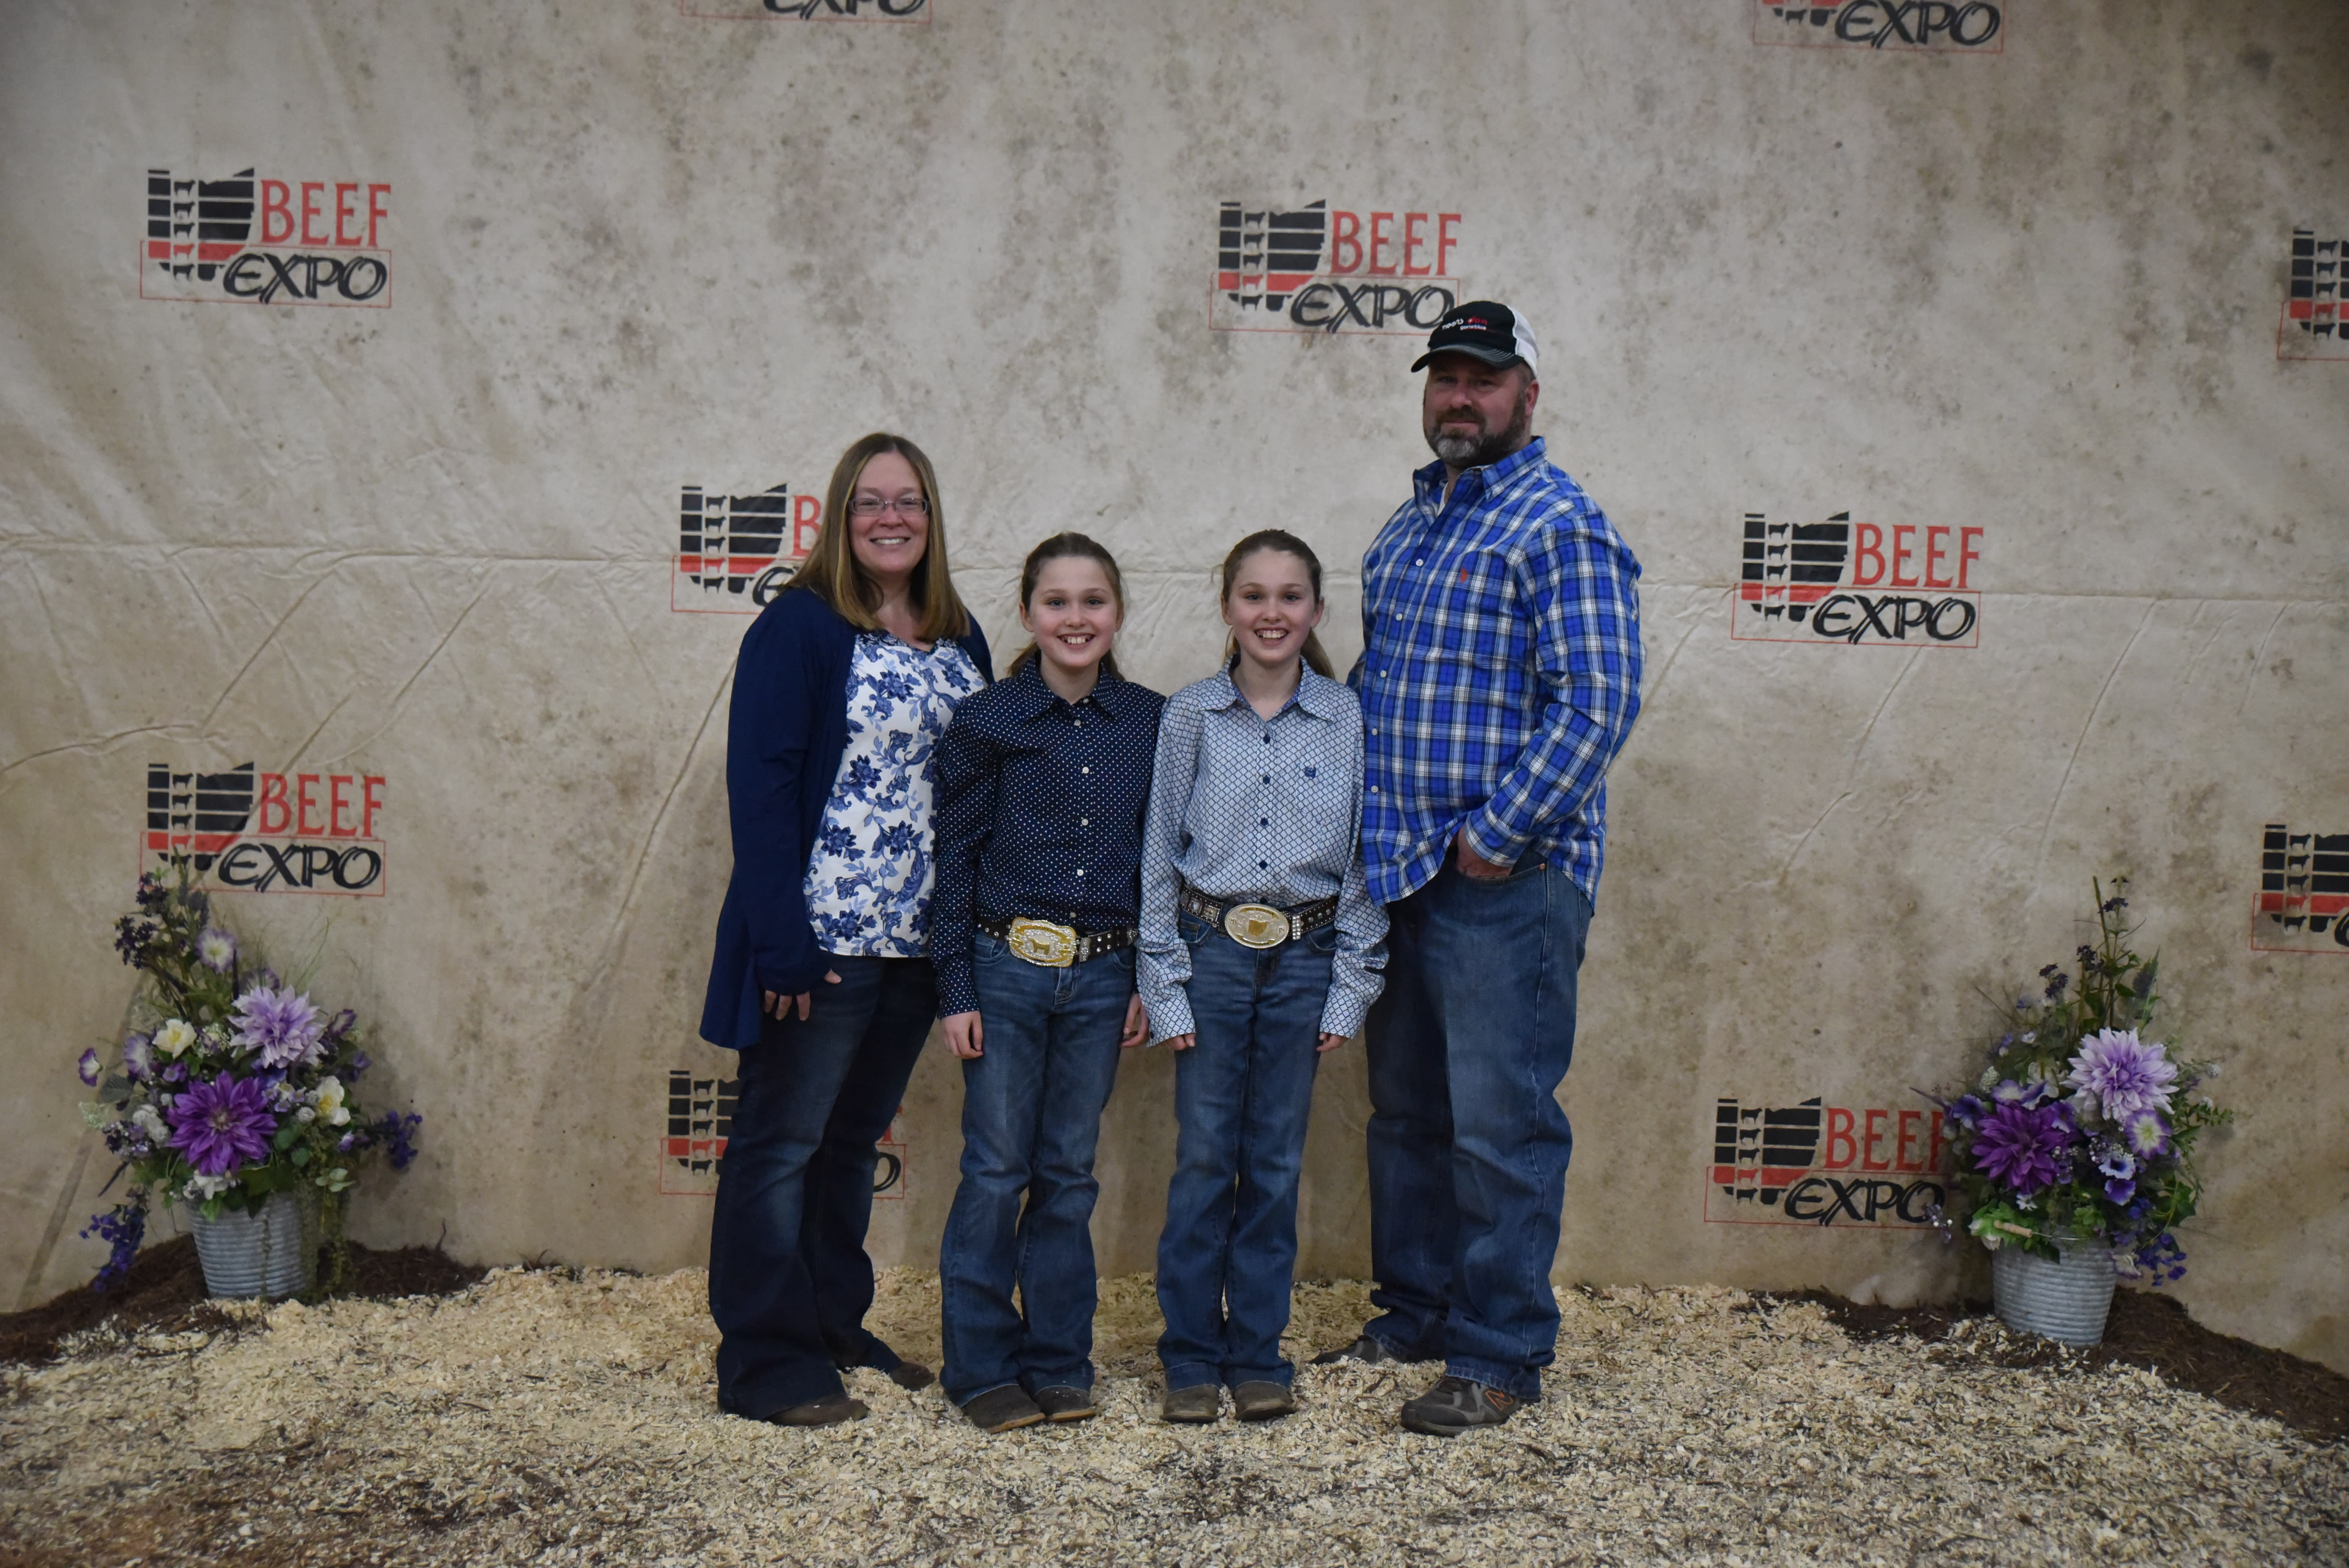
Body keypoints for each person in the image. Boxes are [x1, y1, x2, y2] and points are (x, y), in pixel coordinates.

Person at [1314, 302, 1645, 1436]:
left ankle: (1499, 1352)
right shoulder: (1409, 530)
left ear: (1527, 396)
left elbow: (1601, 703)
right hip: (1403, 872)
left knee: (1500, 1125)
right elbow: (1382, 694)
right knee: (1405, 1113)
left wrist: (1499, 832)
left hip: (1508, 881)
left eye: (1484, 380)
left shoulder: (1558, 525)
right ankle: (1417, 1308)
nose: (1461, 396)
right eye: (1446, 377)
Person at [699, 432, 993, 1429]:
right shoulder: (800, 628)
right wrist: (781, 941)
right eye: (869, 502)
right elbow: (762, 787)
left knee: (845, 1143)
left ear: (931, 516)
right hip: (823, 942)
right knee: (779, 1143)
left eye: (908, 501)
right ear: (840, 515)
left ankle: (831, 1321)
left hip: (916, 944)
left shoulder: (959, 635)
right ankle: (763, 1357)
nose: (890, 518)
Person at [1136, 530, 1386, 1425]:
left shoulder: (1348, 719)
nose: (1272, 613)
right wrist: (1162, 979)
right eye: (1253, 595)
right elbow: (1159, 852)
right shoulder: (1190, 715)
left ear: (1317, 611)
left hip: (1306, 958)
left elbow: (1363, 858)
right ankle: (1190, 1356)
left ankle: (1256, 1354)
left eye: (1290, 597)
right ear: (1227, 608)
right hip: (1208, 954)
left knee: (1274, 1165)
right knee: (1205, 1158)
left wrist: (1350, 983)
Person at [931, 533, 1163, 1434]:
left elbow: (1158, 862)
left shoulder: (1149, 721)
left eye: (1093, 601)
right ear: (1027, 613)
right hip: (1003, 969)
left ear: (1117, 612)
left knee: (1066, 1174)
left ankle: (1059, 1360)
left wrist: (1147, 976)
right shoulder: (988, 720)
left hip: (1105, 974)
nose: (1076, 618)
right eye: (1057, 602)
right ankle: (980, 1367)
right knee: (995, 1168)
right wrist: (955, 986)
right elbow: (954, 859)